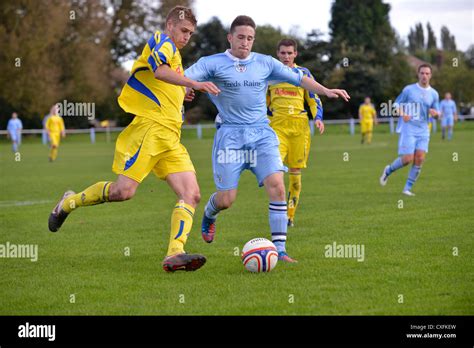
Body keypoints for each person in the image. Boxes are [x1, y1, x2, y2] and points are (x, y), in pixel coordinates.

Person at [48, 6, 220, 273]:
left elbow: (162, 81)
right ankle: (68, 202)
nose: (187, 37)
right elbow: (160, 71)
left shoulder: (175, 55)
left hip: (171, 138)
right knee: (123, 192)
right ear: (170, 25)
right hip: (150, 132)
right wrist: (195, 84)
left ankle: (175, 254)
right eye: (184, 30)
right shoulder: (161, 41)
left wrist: (181, 91)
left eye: (191, 33)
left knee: (192, 194)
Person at [185, 15, 349, 263]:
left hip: (262, 134)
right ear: (230, 38)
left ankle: (280, 250)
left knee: (278, 185)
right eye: (241, 37)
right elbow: (184, 76)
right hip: (230, 136)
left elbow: (298, 78)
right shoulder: (212, 63)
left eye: (250, 38)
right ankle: (209, 214)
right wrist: (187, 87)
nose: (245, 42)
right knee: (227, 199)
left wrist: (324, 90)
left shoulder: (265, 63)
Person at [266, 38, 324, 227]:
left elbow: (314, 98)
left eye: (290, 53)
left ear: (295, 54)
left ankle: (289, 216)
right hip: (277, 127)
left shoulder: (303, 73)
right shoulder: (270, 75)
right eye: (283, 53)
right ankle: (278, 209)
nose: (286, 56)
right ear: (278, 53)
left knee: (295, 177)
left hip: (299, 129)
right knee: (274, 170)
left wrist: (318, 117)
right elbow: (261, 102)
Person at [379, 64, 439, 196]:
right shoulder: (409, 90)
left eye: (427, 73)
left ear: (431, 75)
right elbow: (396, 104)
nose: (424, 76)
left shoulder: (434, 94)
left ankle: (407, 189)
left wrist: (436, 114)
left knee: (420, 159)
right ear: (418, 74)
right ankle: (388, 170)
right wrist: (403, 114)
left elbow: (437, 112)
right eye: (422, 73)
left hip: (424, 129)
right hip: (409, 129)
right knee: (407, 159)